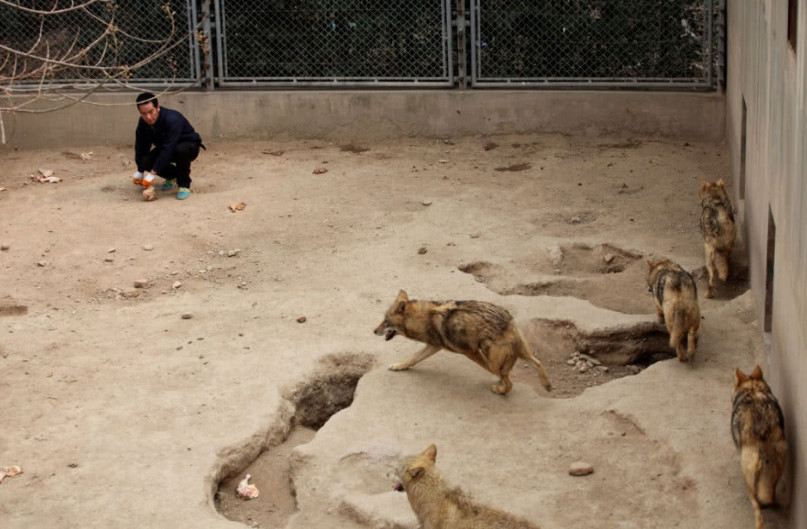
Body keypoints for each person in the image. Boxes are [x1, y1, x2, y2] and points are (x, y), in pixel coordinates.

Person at [133, 92, 203, 200]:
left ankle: (184, 184)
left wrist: (152, 173)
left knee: (180, 150)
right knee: (146, 161)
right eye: (143, 113)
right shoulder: (143, 122)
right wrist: (140, 170)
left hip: (188, 146)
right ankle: (172, 176)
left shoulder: (173, 119)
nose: (148, 117)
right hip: (166, 146)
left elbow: (169, 148)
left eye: (151, 112)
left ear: (157, 107)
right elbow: (141, 145)